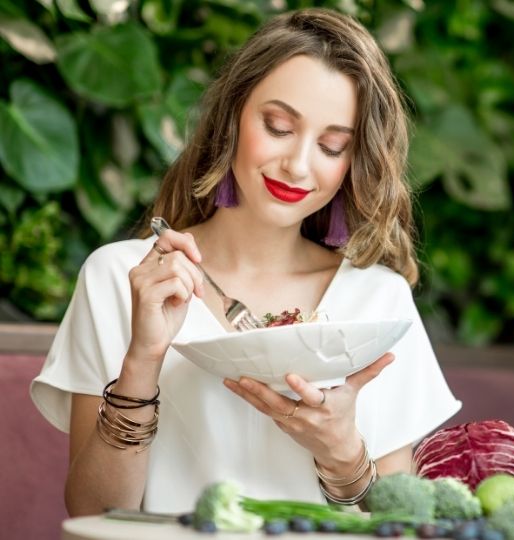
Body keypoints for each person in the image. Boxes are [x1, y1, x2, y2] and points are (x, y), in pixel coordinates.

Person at [30, 8, 461, 516]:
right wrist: (142, 363)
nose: (298, 165)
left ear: (352, 161)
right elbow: (91, 514)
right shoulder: (122, 278)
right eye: (278, 127)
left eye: (330, 145)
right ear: (233, 115)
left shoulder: (378, 300)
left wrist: (342, 452)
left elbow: (401, 521)